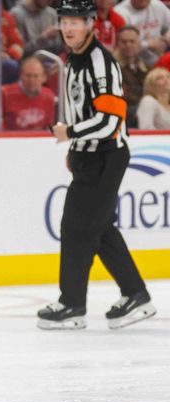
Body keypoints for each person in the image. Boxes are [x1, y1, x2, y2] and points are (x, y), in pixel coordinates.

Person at [39, 0, 155, 330]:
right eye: (64, 21)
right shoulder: (73, 59)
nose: (69, 27)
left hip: (106, 155)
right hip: (91, 154)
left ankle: (72, 304)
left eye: (76, 21)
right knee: (99, 228)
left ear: (91, 23)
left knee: (76, 228)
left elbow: (110, 120)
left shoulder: (99, 62)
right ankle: (135, 295)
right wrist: (75, 147)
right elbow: (82, 110)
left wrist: (70, 134)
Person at [0, 55, 55, 131]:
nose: (32, 80)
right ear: (20, 75)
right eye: (28, 75)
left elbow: (48, 128)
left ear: (44, 77)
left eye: (36, 76)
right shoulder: (3, 94)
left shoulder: (49, 96)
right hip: (9, 140)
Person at [114, 0, 170, 64]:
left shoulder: (157, 5)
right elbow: (124, 46)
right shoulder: (120, 12)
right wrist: (148, 44)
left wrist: (167, 35)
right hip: (133, 61)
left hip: (159, 56)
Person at [115, 26, 150, 127]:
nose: (128, 45)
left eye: (132, 41)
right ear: (118, 44)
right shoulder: (111, 67)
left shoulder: (147, 68)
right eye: (124, 42)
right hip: (125, 111)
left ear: (139, 44)